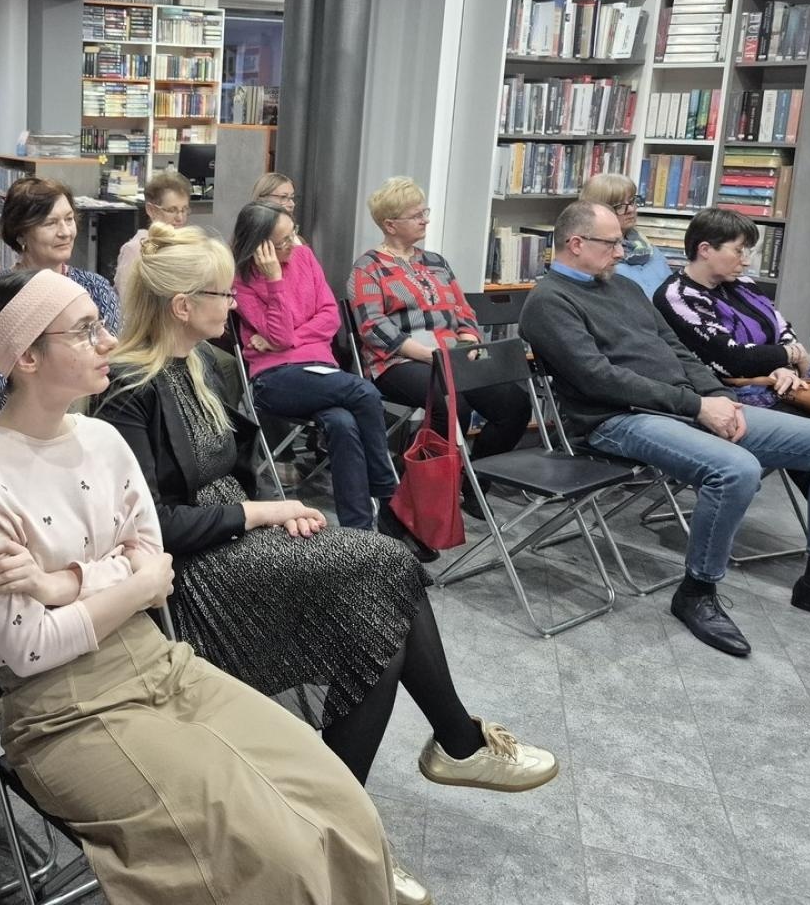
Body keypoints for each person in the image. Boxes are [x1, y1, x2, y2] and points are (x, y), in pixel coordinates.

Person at [97, 225, 558, 905]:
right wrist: (266, 514)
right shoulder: (125, 395)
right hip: (189, 581)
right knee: (384, 576)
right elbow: (154, 529)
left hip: (235, 546)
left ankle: (343, 822)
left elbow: (237, 477)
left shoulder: (201, 368)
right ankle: (444, 750)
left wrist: (276, 513)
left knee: (381, 601)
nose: (234, 303)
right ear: (182, 306)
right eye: (223, 292)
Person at [0, 267, 396, 903]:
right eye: (86, 330)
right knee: (271, 851)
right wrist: (130, 579)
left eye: (102, 326)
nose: (108, 342)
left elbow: (160, 568)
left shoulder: (102, 441)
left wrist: (62, 583)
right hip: (61, 710)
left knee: (344, 804)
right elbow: (32, 648)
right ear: (28, 357)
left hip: (163, 663)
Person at [519, 201, 810, 655]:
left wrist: (723, 400)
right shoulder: (548, 301)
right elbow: (600, 379)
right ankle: (697, 592)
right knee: (735, 470)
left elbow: (678, 351)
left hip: (686, 405)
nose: (622, 251)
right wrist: (698, 405)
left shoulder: (624, 290)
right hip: (616, 420)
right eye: (612, 242)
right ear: (576, 244)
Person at [654, 206, 810, 595]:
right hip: (728, 401)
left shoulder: (745, 286)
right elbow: (728, 358)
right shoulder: (677, 296)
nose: (746, 259)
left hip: (780, 389)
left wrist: (784, 362)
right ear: (704, 249)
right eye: (739, 250)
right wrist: (782, 363)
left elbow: (787, 337)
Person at [353, 177, 532, 512]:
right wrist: (428, 355)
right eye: (416, 215)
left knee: (514, 404)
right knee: (453, 405)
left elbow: (462, 309)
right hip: (398, 362)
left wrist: (467, 340)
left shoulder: (436, 262)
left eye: (425, 212)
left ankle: (472, 482)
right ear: (390, 224)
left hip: (452, 356)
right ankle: (422, 493)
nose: (426, 219)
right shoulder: (368, 268)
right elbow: (372, 326)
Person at [230, 203, 398, 534]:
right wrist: (275, 281)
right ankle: (388, 491)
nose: (293, 243)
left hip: (321, 369)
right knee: (364, 390)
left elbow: (329, 317)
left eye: (292, 233)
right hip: (275, 380)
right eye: (282, 240)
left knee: (343, 422)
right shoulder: (242, 279)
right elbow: (280, 332)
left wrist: (290, 340)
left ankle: (359, 532)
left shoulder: (305, 257)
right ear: (260, 245)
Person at [0, 177, 120, 419]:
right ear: (21, 234)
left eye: (69, 219)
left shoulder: (96, 288)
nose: (65, 232)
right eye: (50, 223)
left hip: (92, 415)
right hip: (22, 422)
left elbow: (111, 365)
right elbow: (1, 384)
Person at [578, 172, 673, 299]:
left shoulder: (649, 249)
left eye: (632, 201)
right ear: (599, 210)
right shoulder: (595, 261)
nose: (631, 210)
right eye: (621, 206)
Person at [114, 170, 191, 288]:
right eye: (171, 210)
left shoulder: (188, 247)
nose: (180, 218)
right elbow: (128, 302)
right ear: (151, 210)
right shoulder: (135, 250)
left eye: (184, 210)